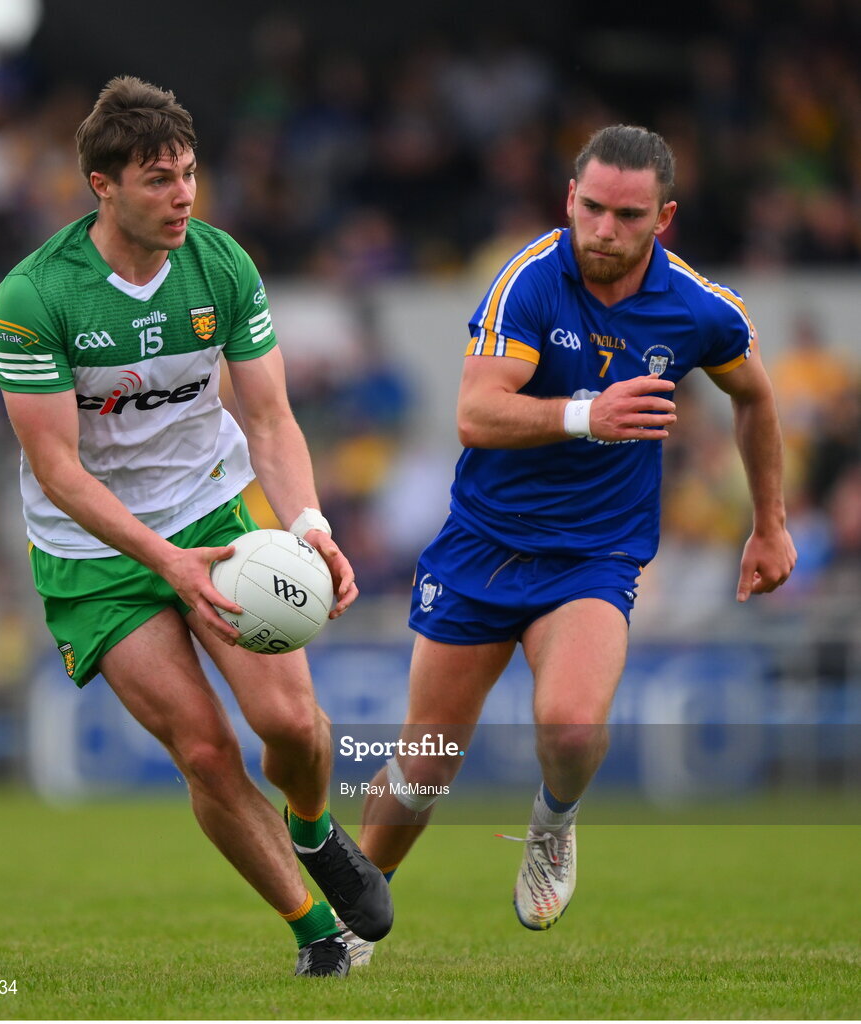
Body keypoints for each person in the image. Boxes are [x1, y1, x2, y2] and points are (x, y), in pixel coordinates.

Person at [341, 124, 796, 966]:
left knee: (574, 725)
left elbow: (755, 399)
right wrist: (591, 413)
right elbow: (475, 412)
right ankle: (354, 914)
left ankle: (551, 822)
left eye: (626, 215)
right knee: (424, 764)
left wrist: (767, 524)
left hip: (594, 557)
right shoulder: (527, 281)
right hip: (481, 547)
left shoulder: (701, 308)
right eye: (590, 208)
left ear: (661, 219)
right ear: (569, 200)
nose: (603, 229)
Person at [0, 75, 392, 978]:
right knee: (207, 749)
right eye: (159, 180)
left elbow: (271, 419)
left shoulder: (220, 264)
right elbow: (59, 470)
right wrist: (168, 563)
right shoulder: (36, 296)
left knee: (292, 727)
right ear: (103, 185)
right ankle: (317, 936)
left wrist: (312, 525)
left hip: (216, 504)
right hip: (92, 548)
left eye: (189, 175)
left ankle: (315, 829)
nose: (182, 196)